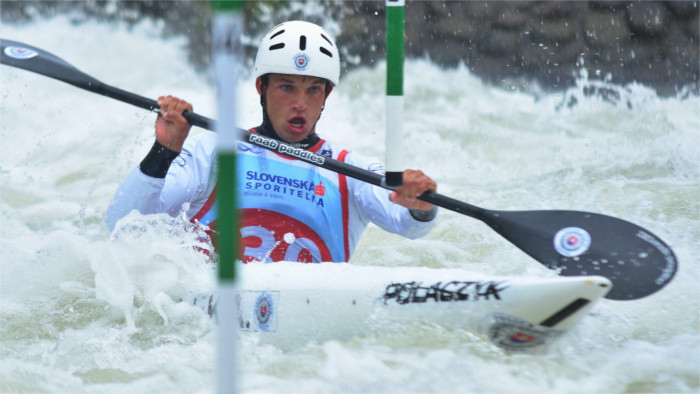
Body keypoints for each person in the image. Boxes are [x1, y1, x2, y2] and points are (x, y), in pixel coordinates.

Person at [106, 21, 438, 263]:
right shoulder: (214, 152)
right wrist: (164, 151)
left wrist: (421, 204)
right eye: (286, 87)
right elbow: (122, 226)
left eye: (313, 90)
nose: (300, 103)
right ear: (261, 89)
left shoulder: (350, 171)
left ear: (327, 96)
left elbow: (409, 225)